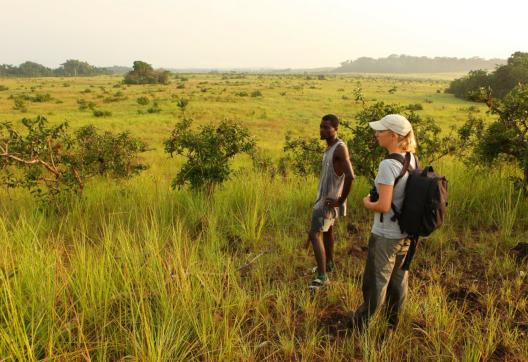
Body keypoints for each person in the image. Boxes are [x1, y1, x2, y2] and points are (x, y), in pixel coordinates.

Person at [352, 113, 418, 328]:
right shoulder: (411, 158)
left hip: (386, 234)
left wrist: (366, 203)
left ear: (392, 135)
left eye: (380, 131)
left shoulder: (388, 165)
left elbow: (383, 205)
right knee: (399, 280)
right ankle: (392, 323)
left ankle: (363, 324)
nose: (376, 134)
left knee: (376, 281)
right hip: (406, 231)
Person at [308, 114, 355, 290]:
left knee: (315, 235)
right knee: (327, 232)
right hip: (325, 199)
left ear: (336, 129)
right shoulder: (330, 148)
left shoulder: (339, 149)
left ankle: (322, 277)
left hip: (328, 202)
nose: (322, 130)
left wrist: (340, 200)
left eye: (326, 127)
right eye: (321, 126)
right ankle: (328, 264)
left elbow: (351, 176)